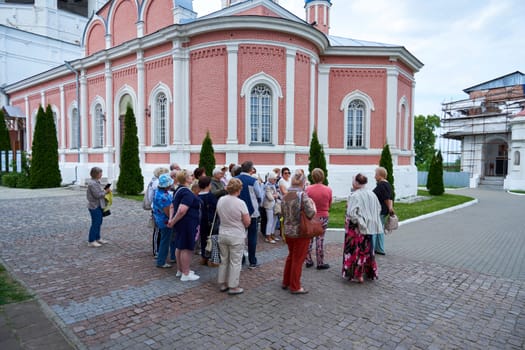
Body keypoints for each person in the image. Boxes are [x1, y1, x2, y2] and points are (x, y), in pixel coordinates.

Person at [342, 173, 383, 283]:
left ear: (356, 182)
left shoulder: (355, 195)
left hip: (356, 229)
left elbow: (351, 213)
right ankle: (366, 272)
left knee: (355, 250)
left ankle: (356, 274)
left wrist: (360, 221)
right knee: (366, 250)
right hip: (368, 227)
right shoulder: (372, 194)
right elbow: (378, 209)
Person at [281, 170, 316, 294]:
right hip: (300, 231)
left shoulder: (285, 195)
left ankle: (286, 281)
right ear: (303, 182)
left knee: (291, 256)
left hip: (288, 230)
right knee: (298, 259)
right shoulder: (302, 195)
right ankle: (295, 286)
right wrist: (313, 205)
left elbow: (282, 213)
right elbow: (311, 213)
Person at [216, 178, 251, 295]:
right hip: (236, 234)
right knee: (235, 261)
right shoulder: (240, 203)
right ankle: (233, 286)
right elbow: (247, 221)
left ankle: (222, 283)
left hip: (223, 232)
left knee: (224, 260)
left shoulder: (221, 199)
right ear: (239, 189)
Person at [168, 170, 201, 281]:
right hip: (187, 223)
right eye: (191, 176)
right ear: (186, 178)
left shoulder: (178, 190)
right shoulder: (187, 192)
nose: (193, 177)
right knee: (186, 248)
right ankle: (186, 273)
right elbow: (182, 210)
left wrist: (171, 219)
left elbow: (172, 206)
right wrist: (173, 221)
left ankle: (180, 270)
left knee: (180, 246)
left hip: (181, 223)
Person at [235, 161, 263, 269]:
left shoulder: (234, 179)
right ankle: (252, 261)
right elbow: (259, 195)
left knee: (239, 236)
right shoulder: (253, 181)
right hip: (251, 212)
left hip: (237, 211)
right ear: (251, 169)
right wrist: (259, 204)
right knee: (252, 237)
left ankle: (240, 259)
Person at [305, 168, 332, 270]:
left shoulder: (308, 189)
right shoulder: (328, 189)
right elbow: (329, 203)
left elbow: (306, 203)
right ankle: (320, 262)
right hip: (323, 216)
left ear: (312, 177)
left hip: (312, 217)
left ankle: (308, 260)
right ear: (323, 177)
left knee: (309, 239)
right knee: (320, 240)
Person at [153, 174, 174, 268]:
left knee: (165, 239)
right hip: (165, 221)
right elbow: (167, 211)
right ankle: (161, 261)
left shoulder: (158, 192)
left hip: (159, 219)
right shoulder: (164, 197)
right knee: (165, 241)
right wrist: (172, 219)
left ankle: (166, 259)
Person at [86, 167, 111, 247]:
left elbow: (99, 192)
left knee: (99, 222)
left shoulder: (96, 182)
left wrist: (104, 190)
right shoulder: (92, 183)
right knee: (95, 223)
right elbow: (97, 195)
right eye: (100, 173)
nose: (101, 174)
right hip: (94, 206)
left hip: (99, 205)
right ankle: (91, 240)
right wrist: (105, 191)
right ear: (96, 174)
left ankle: (98, 238)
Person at [372, 166, 394, 255]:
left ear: (380, 175)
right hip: (383, 210)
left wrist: (390, 208)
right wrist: (390, 208)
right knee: (379, 229)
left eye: (375, 174)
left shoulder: (382, 185)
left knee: (374, 229)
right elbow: (390, 198)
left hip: (380, 211)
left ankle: (373, 248)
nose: (374, 176)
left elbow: (387, 198)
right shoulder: (387, 184)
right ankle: (379, 248)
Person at [149, 167, 170, 257]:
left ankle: (159, 250)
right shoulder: (157, 184)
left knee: (160, 231)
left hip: (157, 208)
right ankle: (156, 250)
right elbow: (151, 197)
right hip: (158, 210)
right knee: (157, 231)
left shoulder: (155, 182)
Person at [198, 176, 218, 266]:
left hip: (201, 221)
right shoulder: (211, 196)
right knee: (212, 240)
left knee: (203, 240)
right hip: (210, 221)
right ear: (208, 185)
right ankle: (211, 259)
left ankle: (203, 257)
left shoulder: (197, 196)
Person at [262, 172, 279, 244]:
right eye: (274, 179)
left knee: (275, 219)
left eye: (276, 179)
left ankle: (272, 234)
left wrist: (275, 195)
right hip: (269, 205)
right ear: (270, 179)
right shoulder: (267, 185)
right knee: (270, 221)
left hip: (274, 205)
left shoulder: (273, 185)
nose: (275, 181)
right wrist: (275, 195)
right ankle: (268, 236)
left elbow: (277, 194)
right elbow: (270, 197)